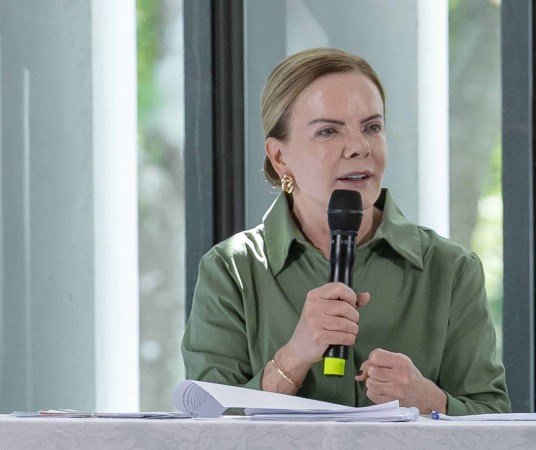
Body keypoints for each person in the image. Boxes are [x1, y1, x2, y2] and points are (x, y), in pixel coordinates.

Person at [182, 47, 510, 415]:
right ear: (279, 157)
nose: (359, 146)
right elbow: (203, 423)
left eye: (372, 127)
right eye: (328, 131)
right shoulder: (231, 270)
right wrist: (293, 357)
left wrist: (430, 401)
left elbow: (495, 419)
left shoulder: (451, 269)